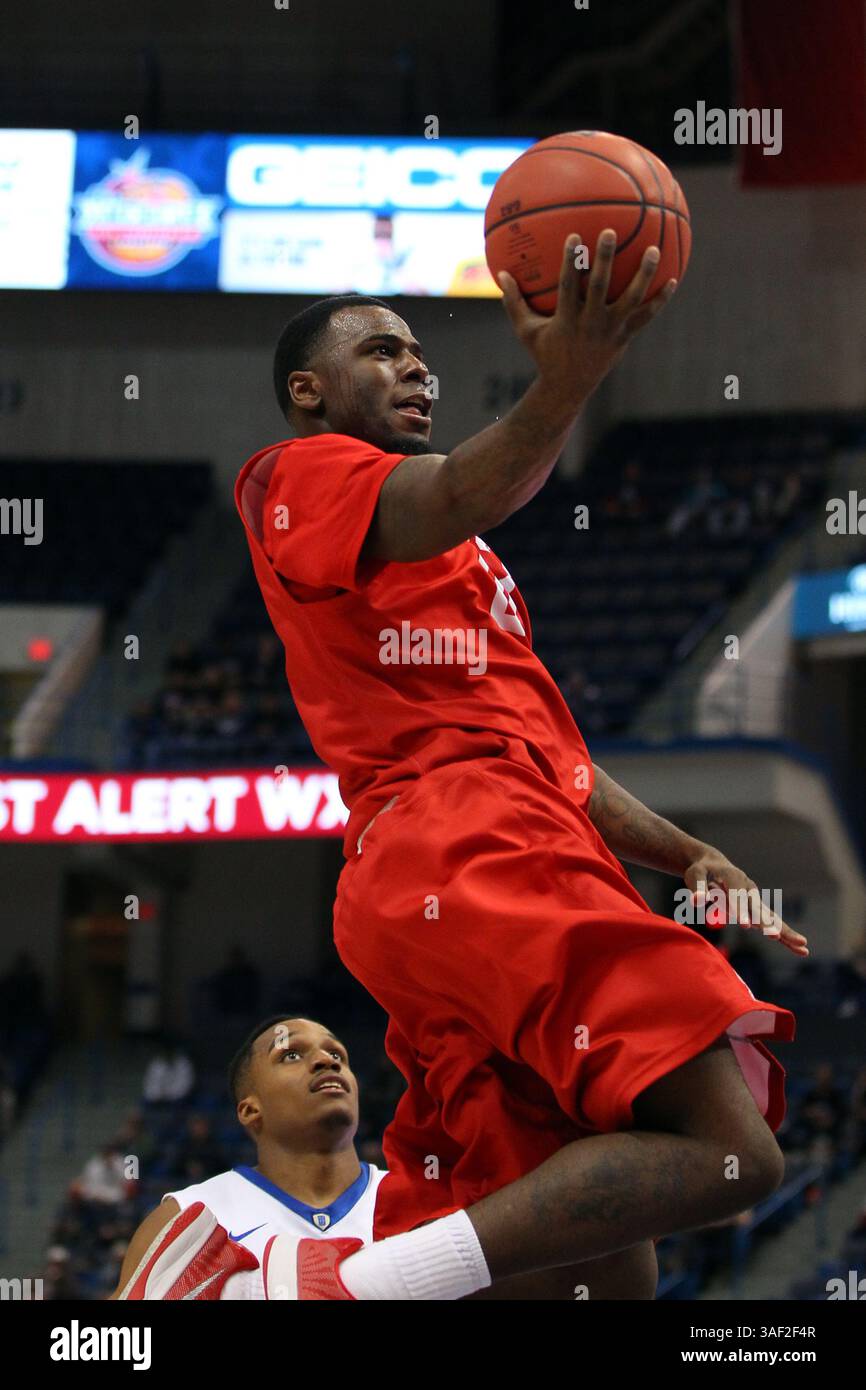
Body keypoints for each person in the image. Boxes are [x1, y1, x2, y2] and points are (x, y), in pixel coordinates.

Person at [232, 229, 808, 1300]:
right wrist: (573, 374)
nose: (416, 365)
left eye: (419, 351)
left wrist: (686, 854)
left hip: (453, 863)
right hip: (463, 840)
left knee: (593, 1273)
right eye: (383, 350)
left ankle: (376, 1283)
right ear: (308, 391)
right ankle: (345, 1286)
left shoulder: (469, 559)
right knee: (731, 1149)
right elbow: (455, 491)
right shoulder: (298, 475)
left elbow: (558, 760)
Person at [111, 1016, 388, 1300]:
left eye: (336, 1053)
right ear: (250, 1110)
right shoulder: (186, 1218)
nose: (326, 1061)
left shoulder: (418, 1200)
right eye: (291, 1055)